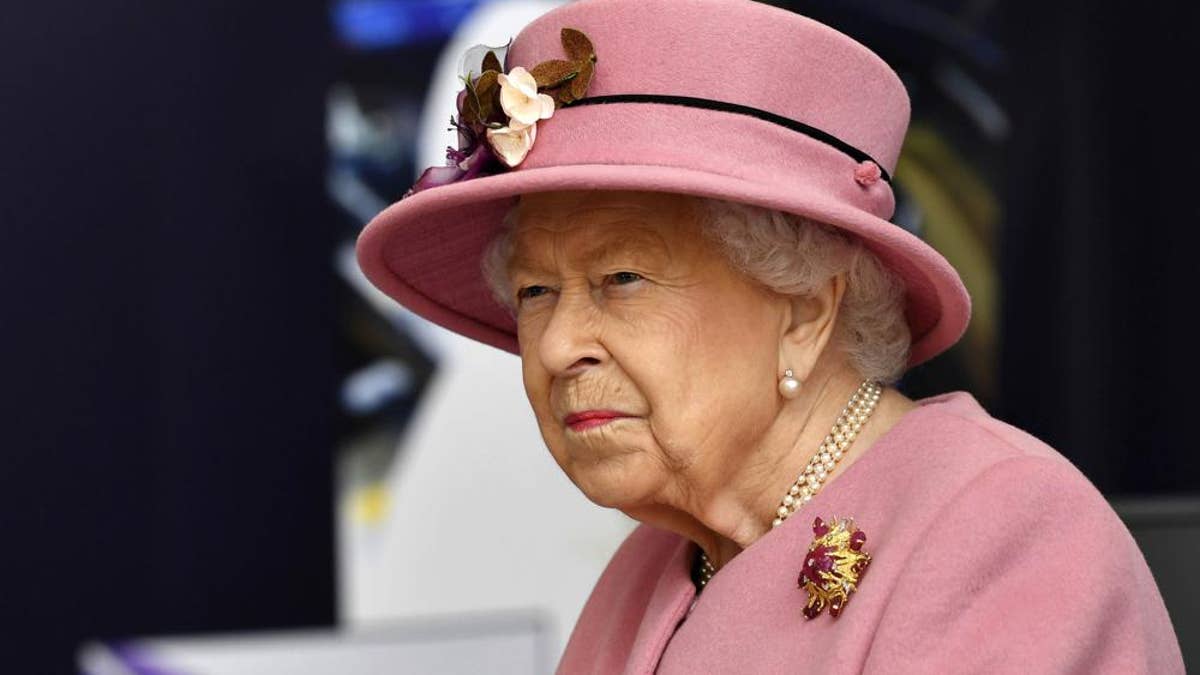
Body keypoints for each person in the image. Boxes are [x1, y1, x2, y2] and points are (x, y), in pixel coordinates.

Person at [354, 0, 1186, 672]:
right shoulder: (650, 571)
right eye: (536, 291)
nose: (561, 343)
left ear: (805, 309)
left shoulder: (1004, 539)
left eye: (623, 279)